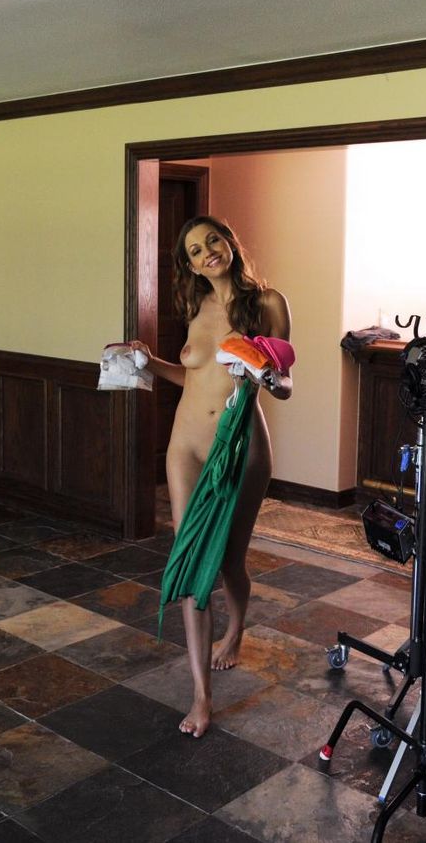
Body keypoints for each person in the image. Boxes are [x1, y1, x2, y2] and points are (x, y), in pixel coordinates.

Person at [131, 215, 292, 738]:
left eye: (212, 241)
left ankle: (237, 628)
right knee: (190, 561)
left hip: (239, 446)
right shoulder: (196, 306)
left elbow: (284, 384)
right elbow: (193, 377)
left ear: (229, 243)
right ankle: (201, 695)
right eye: (196, 251)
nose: (207, 253)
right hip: (185, 446)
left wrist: (262, 371)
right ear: (192, 266)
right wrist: (147, 362)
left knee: (227, 562)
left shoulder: (268, 303)